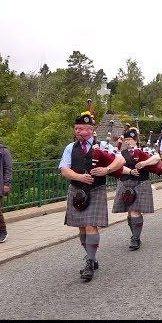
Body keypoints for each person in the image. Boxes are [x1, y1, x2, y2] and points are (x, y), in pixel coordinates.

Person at [59, 110, 125, 282]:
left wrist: (107, 169)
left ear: (92, 129)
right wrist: (79, 176)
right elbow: (64, 169)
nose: (81, 132)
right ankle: (91, 256)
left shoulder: (102, 145)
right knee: (81, 227)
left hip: (96, 190)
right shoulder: (70, 147)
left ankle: (89, 261)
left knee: (90, 226)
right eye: (78, 129)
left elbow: (121, 160)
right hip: (77, 190)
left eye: (85, 129)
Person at [112, 128, 161, 250]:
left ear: (136, 139)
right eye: (127, 139)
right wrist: (129, 171)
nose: (129, 142)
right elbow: (116, 165)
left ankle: (135, 238)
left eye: (131, 140)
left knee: (135, 210)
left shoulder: (145, 149)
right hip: (125, 182)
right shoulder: (121, 152)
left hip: (141, 182)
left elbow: (157, 158)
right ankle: (134, 234)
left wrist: (144, 163)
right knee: (129, 211)